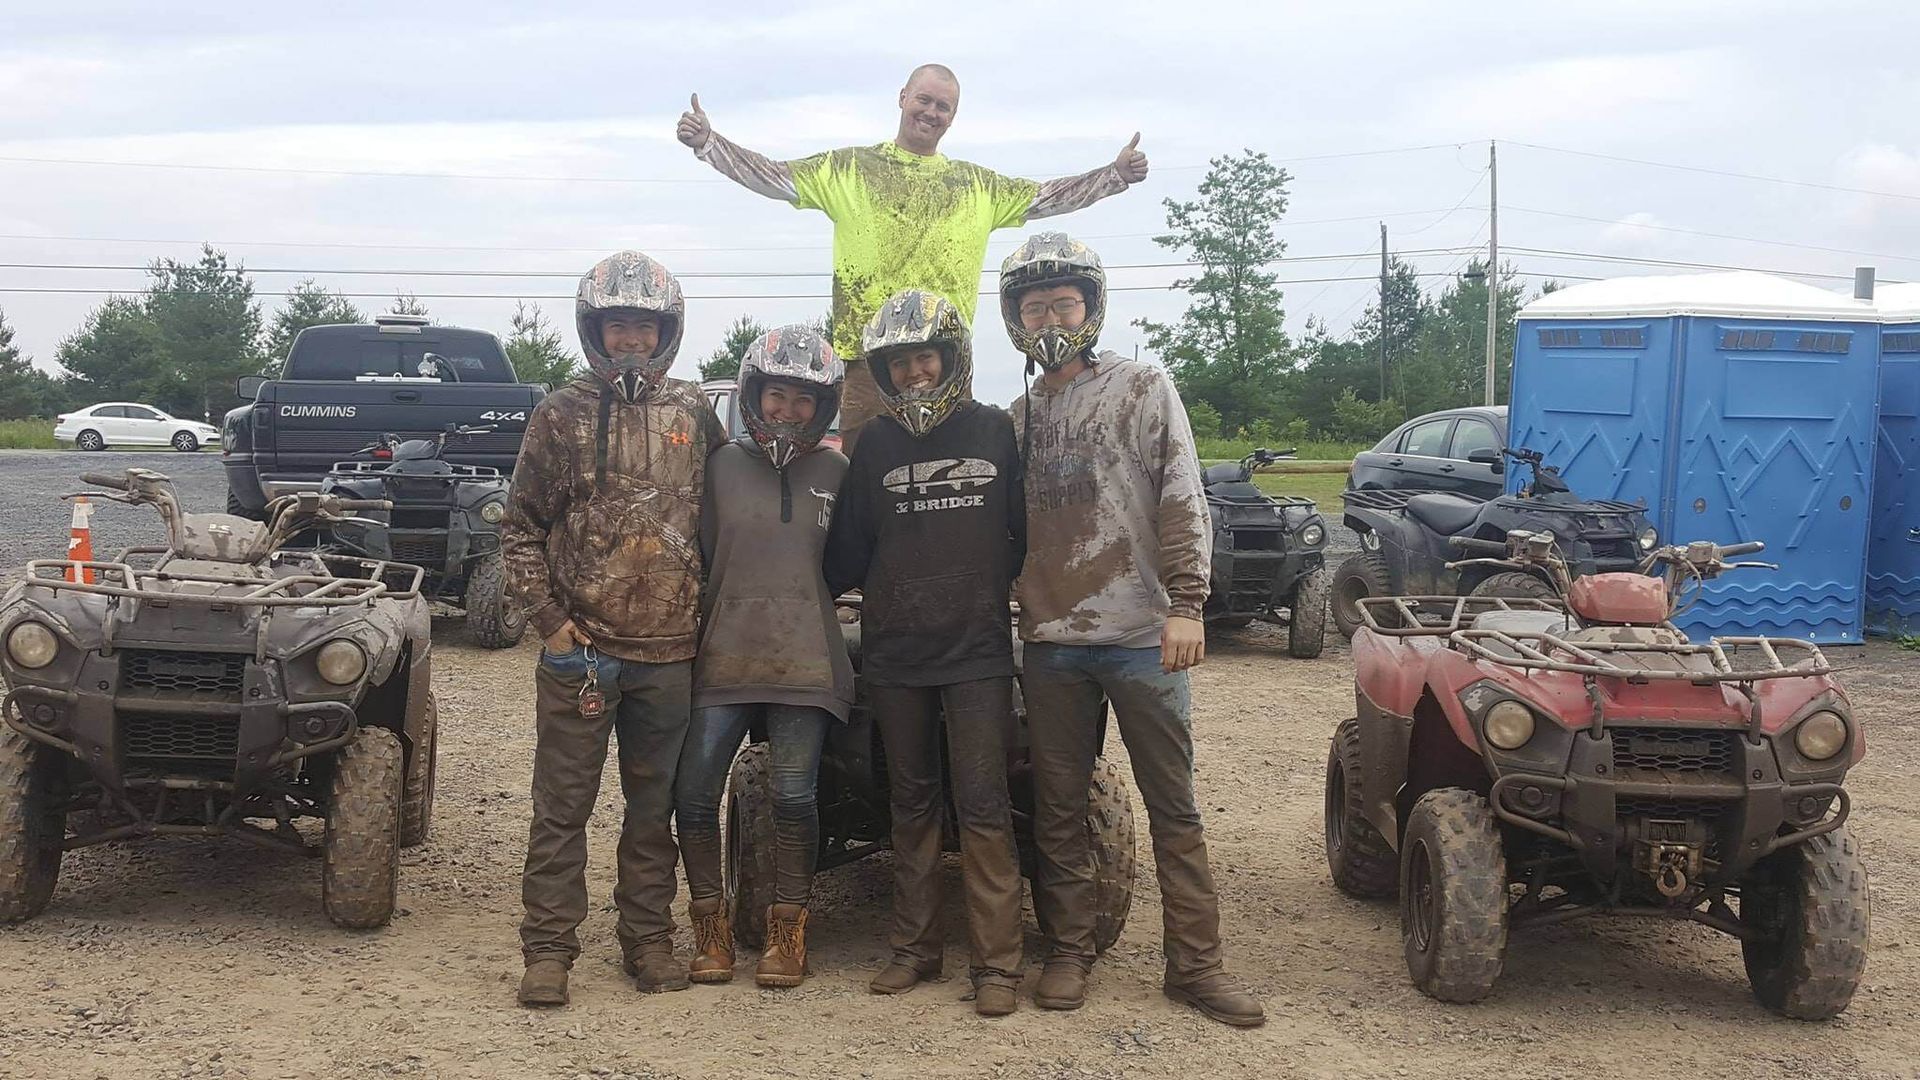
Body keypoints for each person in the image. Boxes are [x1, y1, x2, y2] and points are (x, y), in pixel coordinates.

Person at [1002, 232, 1266, 1027]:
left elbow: (1182, 493)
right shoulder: (1018, 416)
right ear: (1015, 320)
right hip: (1051, 641)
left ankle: (1195, 965)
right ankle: (1070, 950)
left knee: (1173, 805)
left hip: (1144, 636)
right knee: (1060, 806)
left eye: (1063, 302)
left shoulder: (1144, 387)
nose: (1050, 316)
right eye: (1034, 306)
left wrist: (1188, 603)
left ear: (1092, 306)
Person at [677, 63, 1149, 450]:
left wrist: (1114, 175)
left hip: (946, 360)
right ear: (902, 97)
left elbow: (1047, 196)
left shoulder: (977, 185)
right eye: (924, 99)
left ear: (953, 117)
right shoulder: (849, 169)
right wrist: (709, 145)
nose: (931, 111)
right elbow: (774, 178)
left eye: (943, 106)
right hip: (866, 363)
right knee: (865, 475)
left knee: (953, 478)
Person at [500, 250, 727, 1008]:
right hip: (583, 655)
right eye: (617, 326)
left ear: (668, 331)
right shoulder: (559, 413)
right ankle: (548, 951)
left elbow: (726, 520)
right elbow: (520, 529)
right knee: (561, 808)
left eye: (644, 327)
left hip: (671, 655)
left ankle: (648, 939)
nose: (631, 341)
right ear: (595, 330)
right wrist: (551, 623)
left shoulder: (696, 413)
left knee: (654, 808)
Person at [823, 289, 1027, 1017]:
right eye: (900, 361)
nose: (914, 372)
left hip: (976, 651)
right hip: (896, 653)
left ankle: (998, 966)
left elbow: (1023, 536)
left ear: (952, 358)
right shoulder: (873, 443)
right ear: (884, 370)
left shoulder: (996, 430)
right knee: (910, 802)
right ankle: (915, 950)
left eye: (925, 357)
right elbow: (846, 549)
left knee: (984, 804)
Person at [674, 326, 852, 989]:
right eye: (777, 394)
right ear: (754, 394)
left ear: (824, 405)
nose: (788, 410)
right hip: (722, 656)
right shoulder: (718, 466)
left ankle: (787, 934)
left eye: (805, 399)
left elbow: (849, 562)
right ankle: (710, 932)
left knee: (794, 797)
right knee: (692, 796)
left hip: (807, 662)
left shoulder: (838, 471)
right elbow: (697, 551)